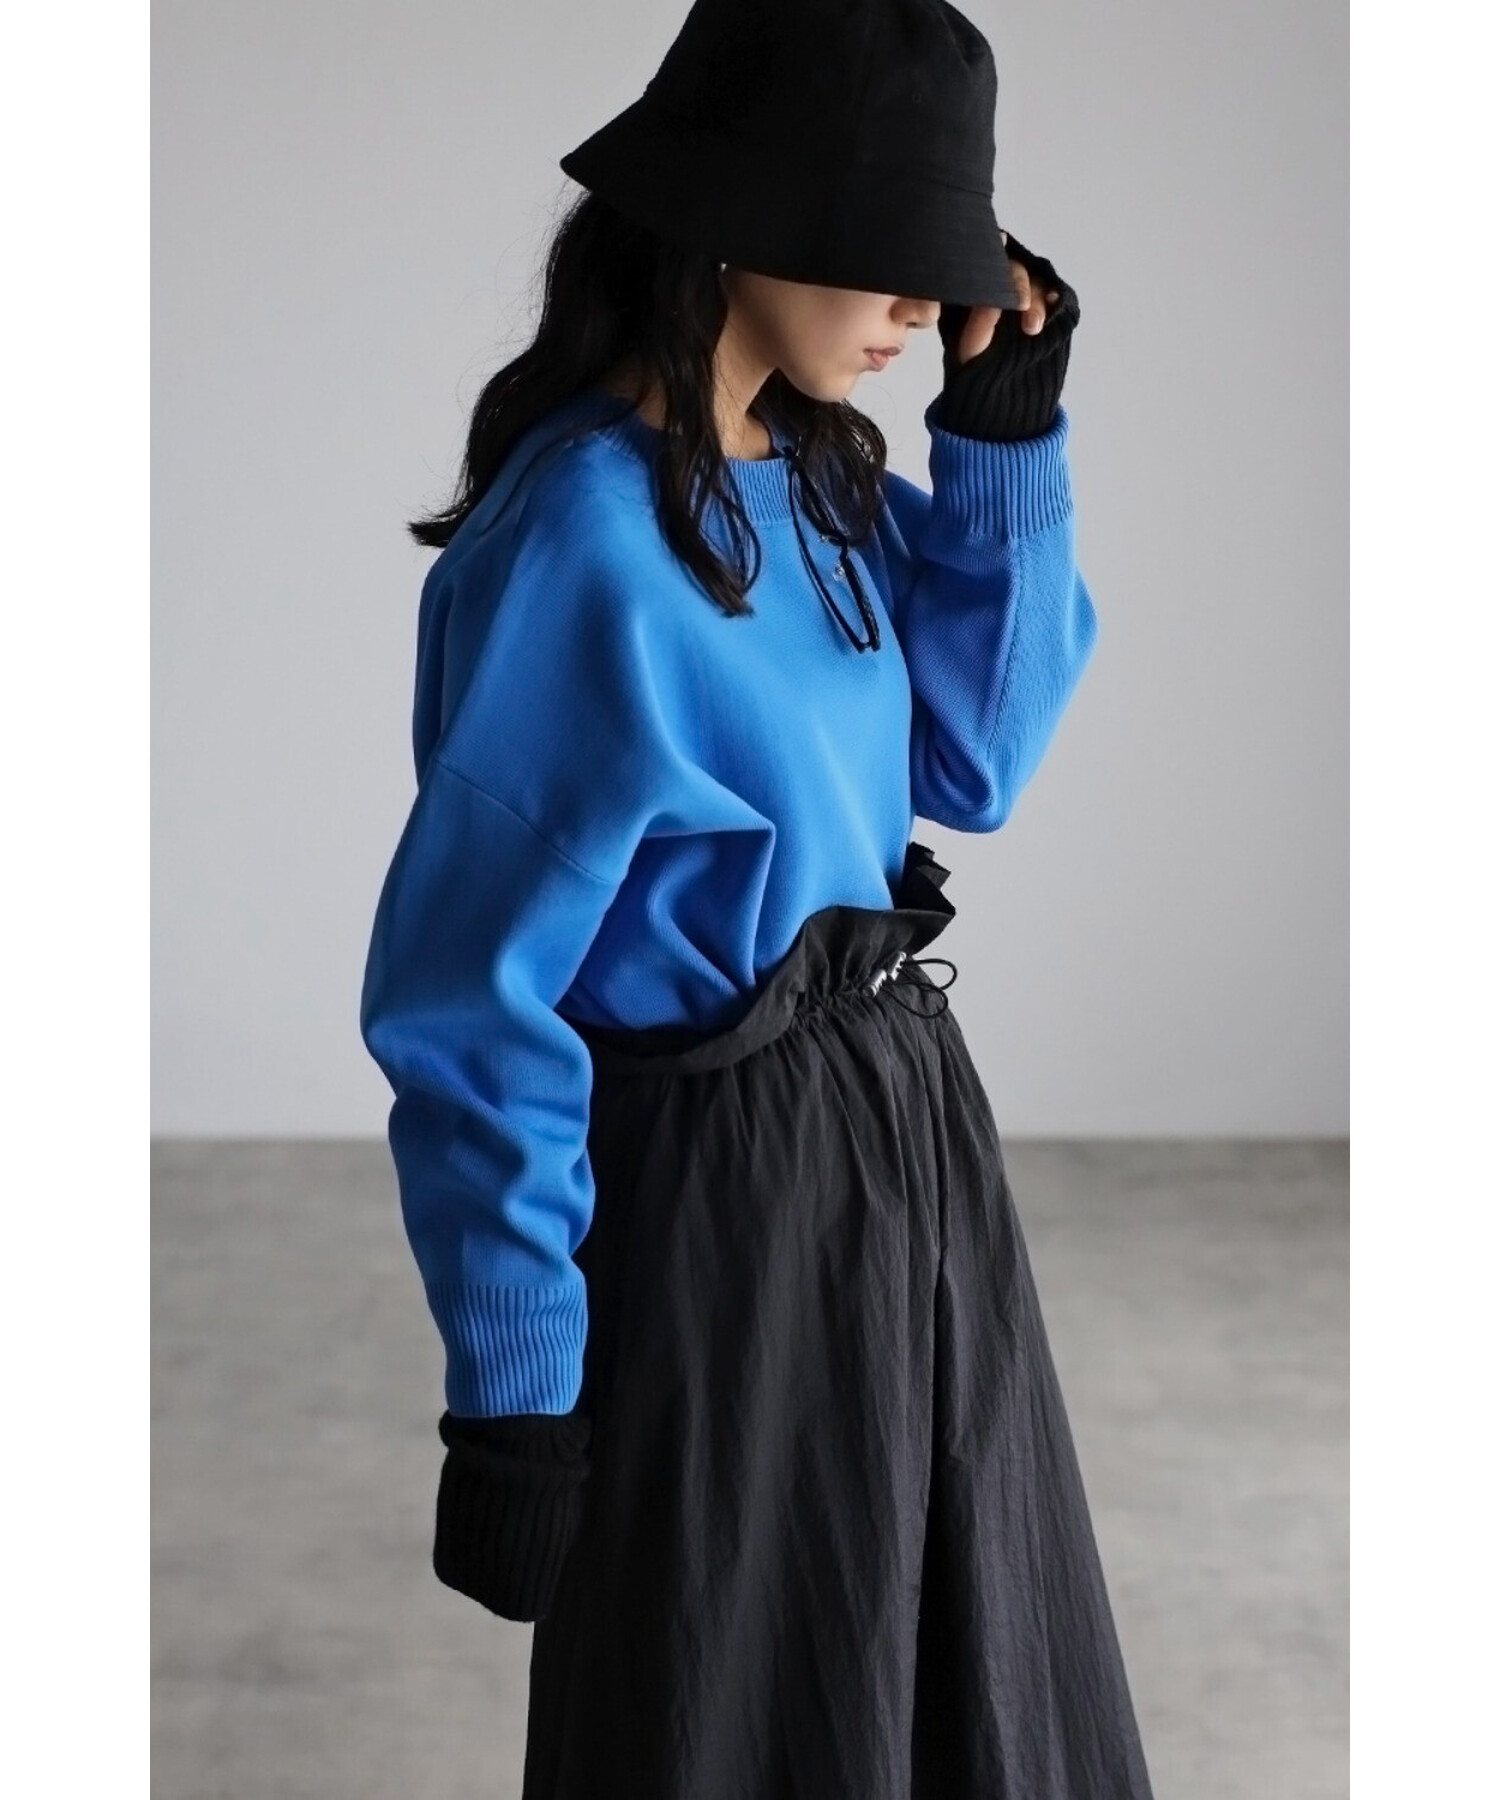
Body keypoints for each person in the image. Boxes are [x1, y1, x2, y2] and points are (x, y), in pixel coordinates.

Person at [359, 1, 1156, 1794]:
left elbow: (976, 766)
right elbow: (470, 1000)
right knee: (753, 1694)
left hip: (907, 1132)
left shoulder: (820, 478)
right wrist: (514, 1391)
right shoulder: (583, 543)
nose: (923, 308)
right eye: (897, 255)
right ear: (743, 219)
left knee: (969, 1672)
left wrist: (1004, 443)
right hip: (725, 1196)